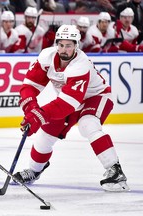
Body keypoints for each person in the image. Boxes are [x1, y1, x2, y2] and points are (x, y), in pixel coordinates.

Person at [13, 24, 129, 192]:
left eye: (69, 45)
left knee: (87, 124)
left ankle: (115, 171)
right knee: (45, 133)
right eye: (61, 45)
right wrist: (31, 109)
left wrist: (38, 115)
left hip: (96, 97)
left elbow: (67, 104)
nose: (64, 50)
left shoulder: (81, 64)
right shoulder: (46, 57)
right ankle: (34, 170)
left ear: (76, 45)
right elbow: (29, 86)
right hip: (69, 101)